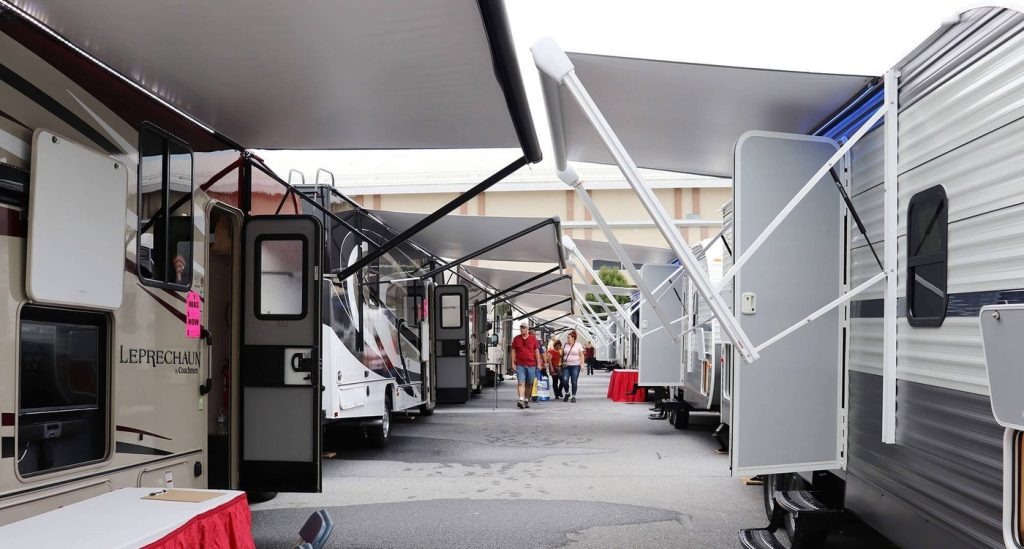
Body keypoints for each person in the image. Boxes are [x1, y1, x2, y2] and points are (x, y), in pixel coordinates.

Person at [510, 322, 542, 409]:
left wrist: (539, 363)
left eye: (523, 327)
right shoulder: (516, 339)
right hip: (520, 364)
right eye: (520, 327)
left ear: (527, 329)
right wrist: (512, 363)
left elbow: (536, 351)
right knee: (521, 382)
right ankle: (521, 399)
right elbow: (513, 351)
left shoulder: (533, 339)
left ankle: (526, 400)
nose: (521, 329)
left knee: (529, 383)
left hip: (531, 365)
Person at [561, 331, 584, 403]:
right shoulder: (565, 345)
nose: (567, 339)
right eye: (567, 337)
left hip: (576, 365)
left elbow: (581, 355)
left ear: (573, 338)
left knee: (574, 381)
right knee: (564, 380)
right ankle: (567, 393)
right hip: (566, 365)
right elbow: (562, 355)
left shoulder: (578, 345)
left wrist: (582, 364)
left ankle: (573, 396)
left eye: (569, 338)